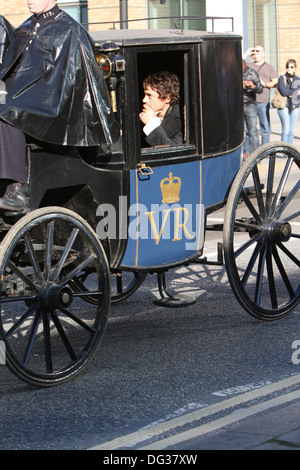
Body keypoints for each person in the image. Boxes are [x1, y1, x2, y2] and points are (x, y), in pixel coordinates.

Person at [0, 0, 116, 212]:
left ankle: (20, 188)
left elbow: (71, 84)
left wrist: (16, 99)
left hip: (51, 108)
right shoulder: (25, 28)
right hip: (18, 98)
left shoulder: (70, 30)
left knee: (7, 114)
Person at [244, 45, 278, 146]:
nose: (255, 54)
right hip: (249, 101)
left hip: (262, 100)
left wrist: (264, 84)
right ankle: (249, 151)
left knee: (264, 126)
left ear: (263, 53)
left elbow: (275, 82)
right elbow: (238, 61)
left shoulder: (269, 67)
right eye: (254, 52)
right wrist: (247, 52)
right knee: (249, 129)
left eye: (258, 51)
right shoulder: (248, 65)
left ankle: (265, 148)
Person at [139, 71, 183, 147]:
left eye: (149, 95)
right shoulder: (143, 117)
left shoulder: (182, 120)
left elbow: (174, 153)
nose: (144, 100)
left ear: (167, 98)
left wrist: (151, 124)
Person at [242, 59, 263, 158]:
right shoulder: (234, 72)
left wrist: (253, 86)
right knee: (241, 131)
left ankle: (254, 154)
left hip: (250, 103)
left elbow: (260, 89)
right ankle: (245, 152)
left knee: (252, 131)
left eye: (242, 68)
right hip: (238, 104)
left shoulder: (252, 73)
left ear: (245, 66)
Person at [277, 59, 300, 144]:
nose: (289, 69)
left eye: (291, 67)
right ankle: (283, 149)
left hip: (295, 106)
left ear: (295, 68)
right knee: (286, 129)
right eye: (287, 67)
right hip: (284, 105)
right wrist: (295, 93)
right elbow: (284, 92)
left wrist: (292, 94)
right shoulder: (282, 78)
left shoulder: (298, 79)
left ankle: (290, 151)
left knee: (292, 131)